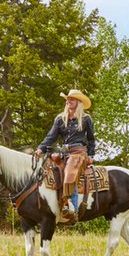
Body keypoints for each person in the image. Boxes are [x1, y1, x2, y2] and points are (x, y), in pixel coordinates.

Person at [33, 89, 95, 223]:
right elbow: (51, 137)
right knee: (47, 171)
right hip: (64, 153)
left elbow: (91, 139)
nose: (68, 101)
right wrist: (40, 148)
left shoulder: (85, 119)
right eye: (67, 99)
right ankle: (51, 205)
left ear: (78, 102)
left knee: (69, 174)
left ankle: (72, 207)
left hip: (79, 153)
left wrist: (91, 155)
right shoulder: (60, 119)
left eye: (71, 99)